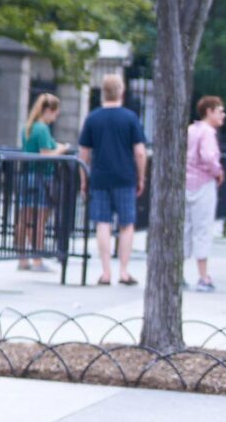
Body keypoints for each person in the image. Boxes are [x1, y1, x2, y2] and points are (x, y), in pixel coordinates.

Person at [77, 75, 149, 286]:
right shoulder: (130, 118)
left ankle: (106, 272)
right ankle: (124, 272)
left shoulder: (93, 118)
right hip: (125, 176)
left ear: (102, 92)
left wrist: (84, 178)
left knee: (103, 222)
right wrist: (141, 176)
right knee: (127, 224)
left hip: (99, 176)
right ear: (121, 92)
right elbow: (140, 152)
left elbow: (84, 153)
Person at [16, 92, 62, 272]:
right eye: (56, 112)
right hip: (41, 177)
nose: (56, 116)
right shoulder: (43, 128)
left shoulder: (28, 127)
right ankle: (37, 258)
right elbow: (45, 154)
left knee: (25, 218)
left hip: (26, 176)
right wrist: (61, 149)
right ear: (49, 110)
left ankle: (22, 258)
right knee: (40, 219)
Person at [188, 97, 224, 292]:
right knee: (202, 228)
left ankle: (178, 273)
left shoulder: (191, 130)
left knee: (185, 228)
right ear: (209, 111)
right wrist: (218, 172)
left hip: (187, 183)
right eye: (219, 110)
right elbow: (209, 157)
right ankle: (203, 276)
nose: (222, 115)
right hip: (203, 183)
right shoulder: (208, 133)